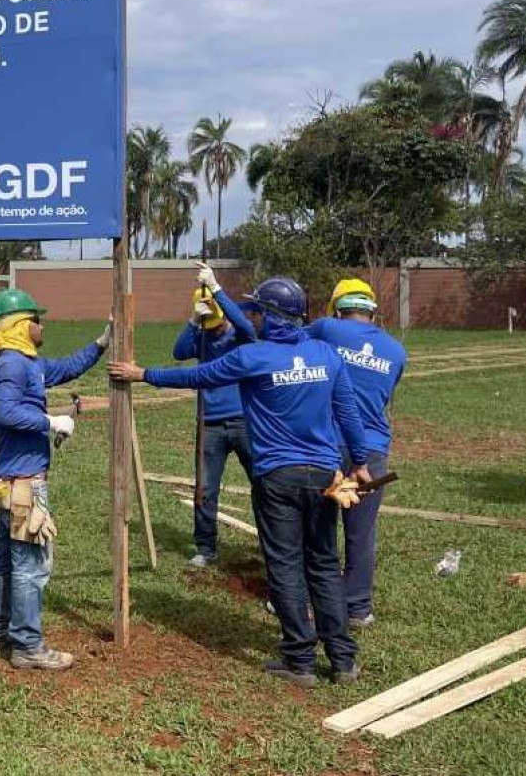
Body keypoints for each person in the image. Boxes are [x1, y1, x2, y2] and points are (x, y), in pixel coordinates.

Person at [110, 277, 374, 687]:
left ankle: (300, 661)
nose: (253, 317)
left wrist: (143, 373)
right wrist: (359, 462)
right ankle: (342, 661)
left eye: (257, 311)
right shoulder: (326, 355)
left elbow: (199, 376)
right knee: (323, 564)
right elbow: (348, 412)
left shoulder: (254, 357)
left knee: (285, 565)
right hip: (325, 475)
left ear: (269, 316)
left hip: (277, 478)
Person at [0, 287, 111, 671]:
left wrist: (101, 344)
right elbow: (5, 414)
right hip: (22, 482)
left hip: (15, 477)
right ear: (20, 324)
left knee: (5, 558)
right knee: (30, 565)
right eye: (36, 319)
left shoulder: (28, 363)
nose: (42, 325)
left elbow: (66, 368)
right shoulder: (12, 365)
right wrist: (51, 420)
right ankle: (27, 646)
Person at [306, 278, 407, 628]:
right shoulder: (396, 351)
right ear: (371, 310)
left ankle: (308, 600)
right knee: (360, 533)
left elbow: (289, 347)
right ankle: (358, 608)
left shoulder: (325, 329)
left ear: (337, 307)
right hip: (371, 455)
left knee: (318, 525)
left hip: (330, 449)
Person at [178, 262, 258, 567]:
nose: (216, 329)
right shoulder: (202, 337)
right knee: (205, 487)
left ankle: (272, 541)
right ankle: (206, 547)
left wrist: (216, 288)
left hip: (244, 421)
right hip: (209, 423)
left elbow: (248, 328)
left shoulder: (238, 337)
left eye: (217, 321)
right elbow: (178, 352)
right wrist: (193, 320)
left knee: (262, 484)